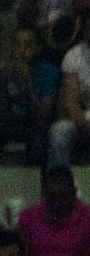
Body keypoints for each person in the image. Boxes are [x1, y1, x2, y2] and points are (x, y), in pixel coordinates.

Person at [0, 26, 59, 165]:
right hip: (9, 123)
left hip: (34, 125)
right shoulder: (0, 70)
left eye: (27, 45)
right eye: (17, 44)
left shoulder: (48, 71)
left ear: (37, 48)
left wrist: (28, 81)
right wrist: (3, 81)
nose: (21, 50)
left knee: (38, 141)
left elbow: (42, 118)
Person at [17, 166, 90, 256]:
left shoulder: (87, 217)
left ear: (74, 192)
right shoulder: (28, 218)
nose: (57, 203)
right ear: (45, 194)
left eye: (63, 197)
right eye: (52, 198)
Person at [48, 22, 90, 167]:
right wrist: (84, 124)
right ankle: (60, 183)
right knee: (59, 131)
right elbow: (71, 103)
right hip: (83, 118)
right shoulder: (74, 56)